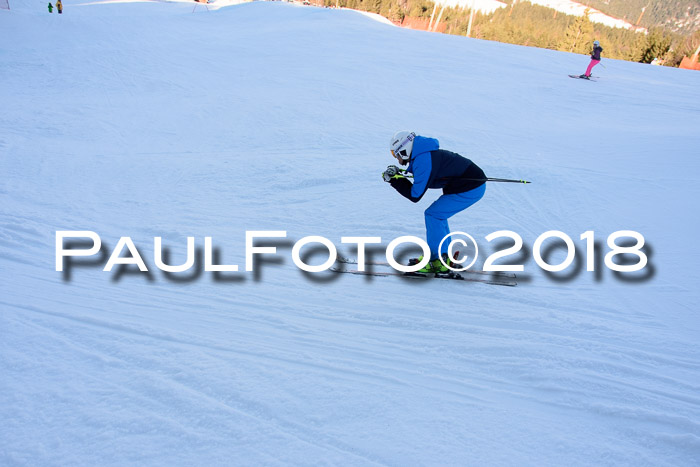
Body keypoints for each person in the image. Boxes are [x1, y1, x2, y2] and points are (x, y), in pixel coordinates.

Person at [383, 131, 486, 274]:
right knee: (438, 215)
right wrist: (398, 175)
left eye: (396, 154)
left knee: (433, 215)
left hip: (471, 188)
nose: (397, 159)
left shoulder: (423, 159)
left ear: (404, 150)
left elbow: (415, 195)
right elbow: (423, 176)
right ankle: (443, 257)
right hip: (468, 186)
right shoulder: (423, 154)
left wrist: (394, 180)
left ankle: (438, 262)